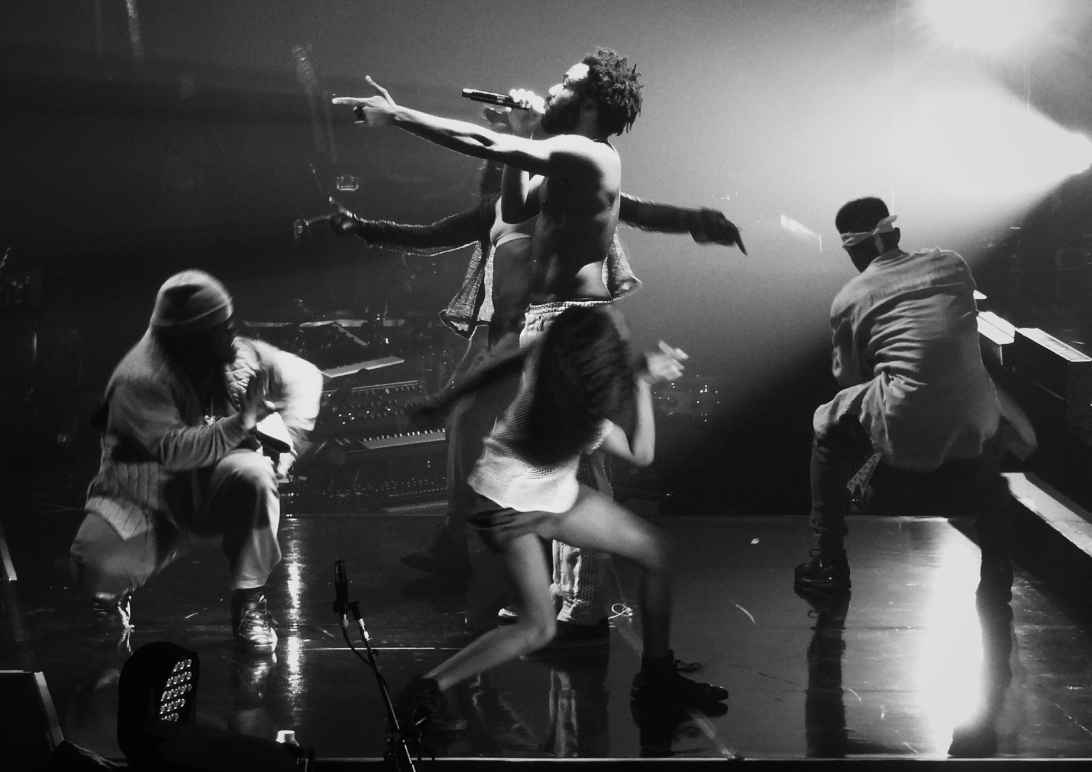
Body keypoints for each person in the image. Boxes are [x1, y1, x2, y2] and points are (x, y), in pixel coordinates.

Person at [332, 49, 745, 636]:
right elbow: (519, 202)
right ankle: (539, 584)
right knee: (525, 445)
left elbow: (491, 146)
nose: (555, 85)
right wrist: (527, 133)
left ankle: (585, 602)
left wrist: (399, 116)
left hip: (571, 322)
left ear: (593, 103)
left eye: (568, 81)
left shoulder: (586, 150)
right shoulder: (573, 157)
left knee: (575, 456)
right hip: (543, 319)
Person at [397, 306, 729, 735]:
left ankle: (658, 677)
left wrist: (439, 403)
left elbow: (492, 370)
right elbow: (641, 454)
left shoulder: (543, 357)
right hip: (507, 505)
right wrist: (643, 384)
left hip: (539, 494)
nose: (625, 332)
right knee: (537, 628)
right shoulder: (581, 416)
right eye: (618, 337)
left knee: (657, 551)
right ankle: (425, 690)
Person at [69, 270, 323, 650]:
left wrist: (292, 443)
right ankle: (109, 600)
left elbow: (305, 376)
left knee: (253, 474)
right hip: (150, 499)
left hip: (215, 487)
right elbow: (175, 451)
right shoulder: (138, 379)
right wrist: (243, 422)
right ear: (186, 339)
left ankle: (250, 601)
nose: (227, 336)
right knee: (92, 563)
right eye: (215, 331)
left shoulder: (240, 355)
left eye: (226, 326)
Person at [794, 197, 1032, 602]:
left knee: (826, 425)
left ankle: (828, 561)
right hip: (972, 414)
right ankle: (997, 566)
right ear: (896, 233)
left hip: (906, 418)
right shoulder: (953, 264)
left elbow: (848, 377)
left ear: (852, 248)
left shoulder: (850, 297)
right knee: (983, 437)